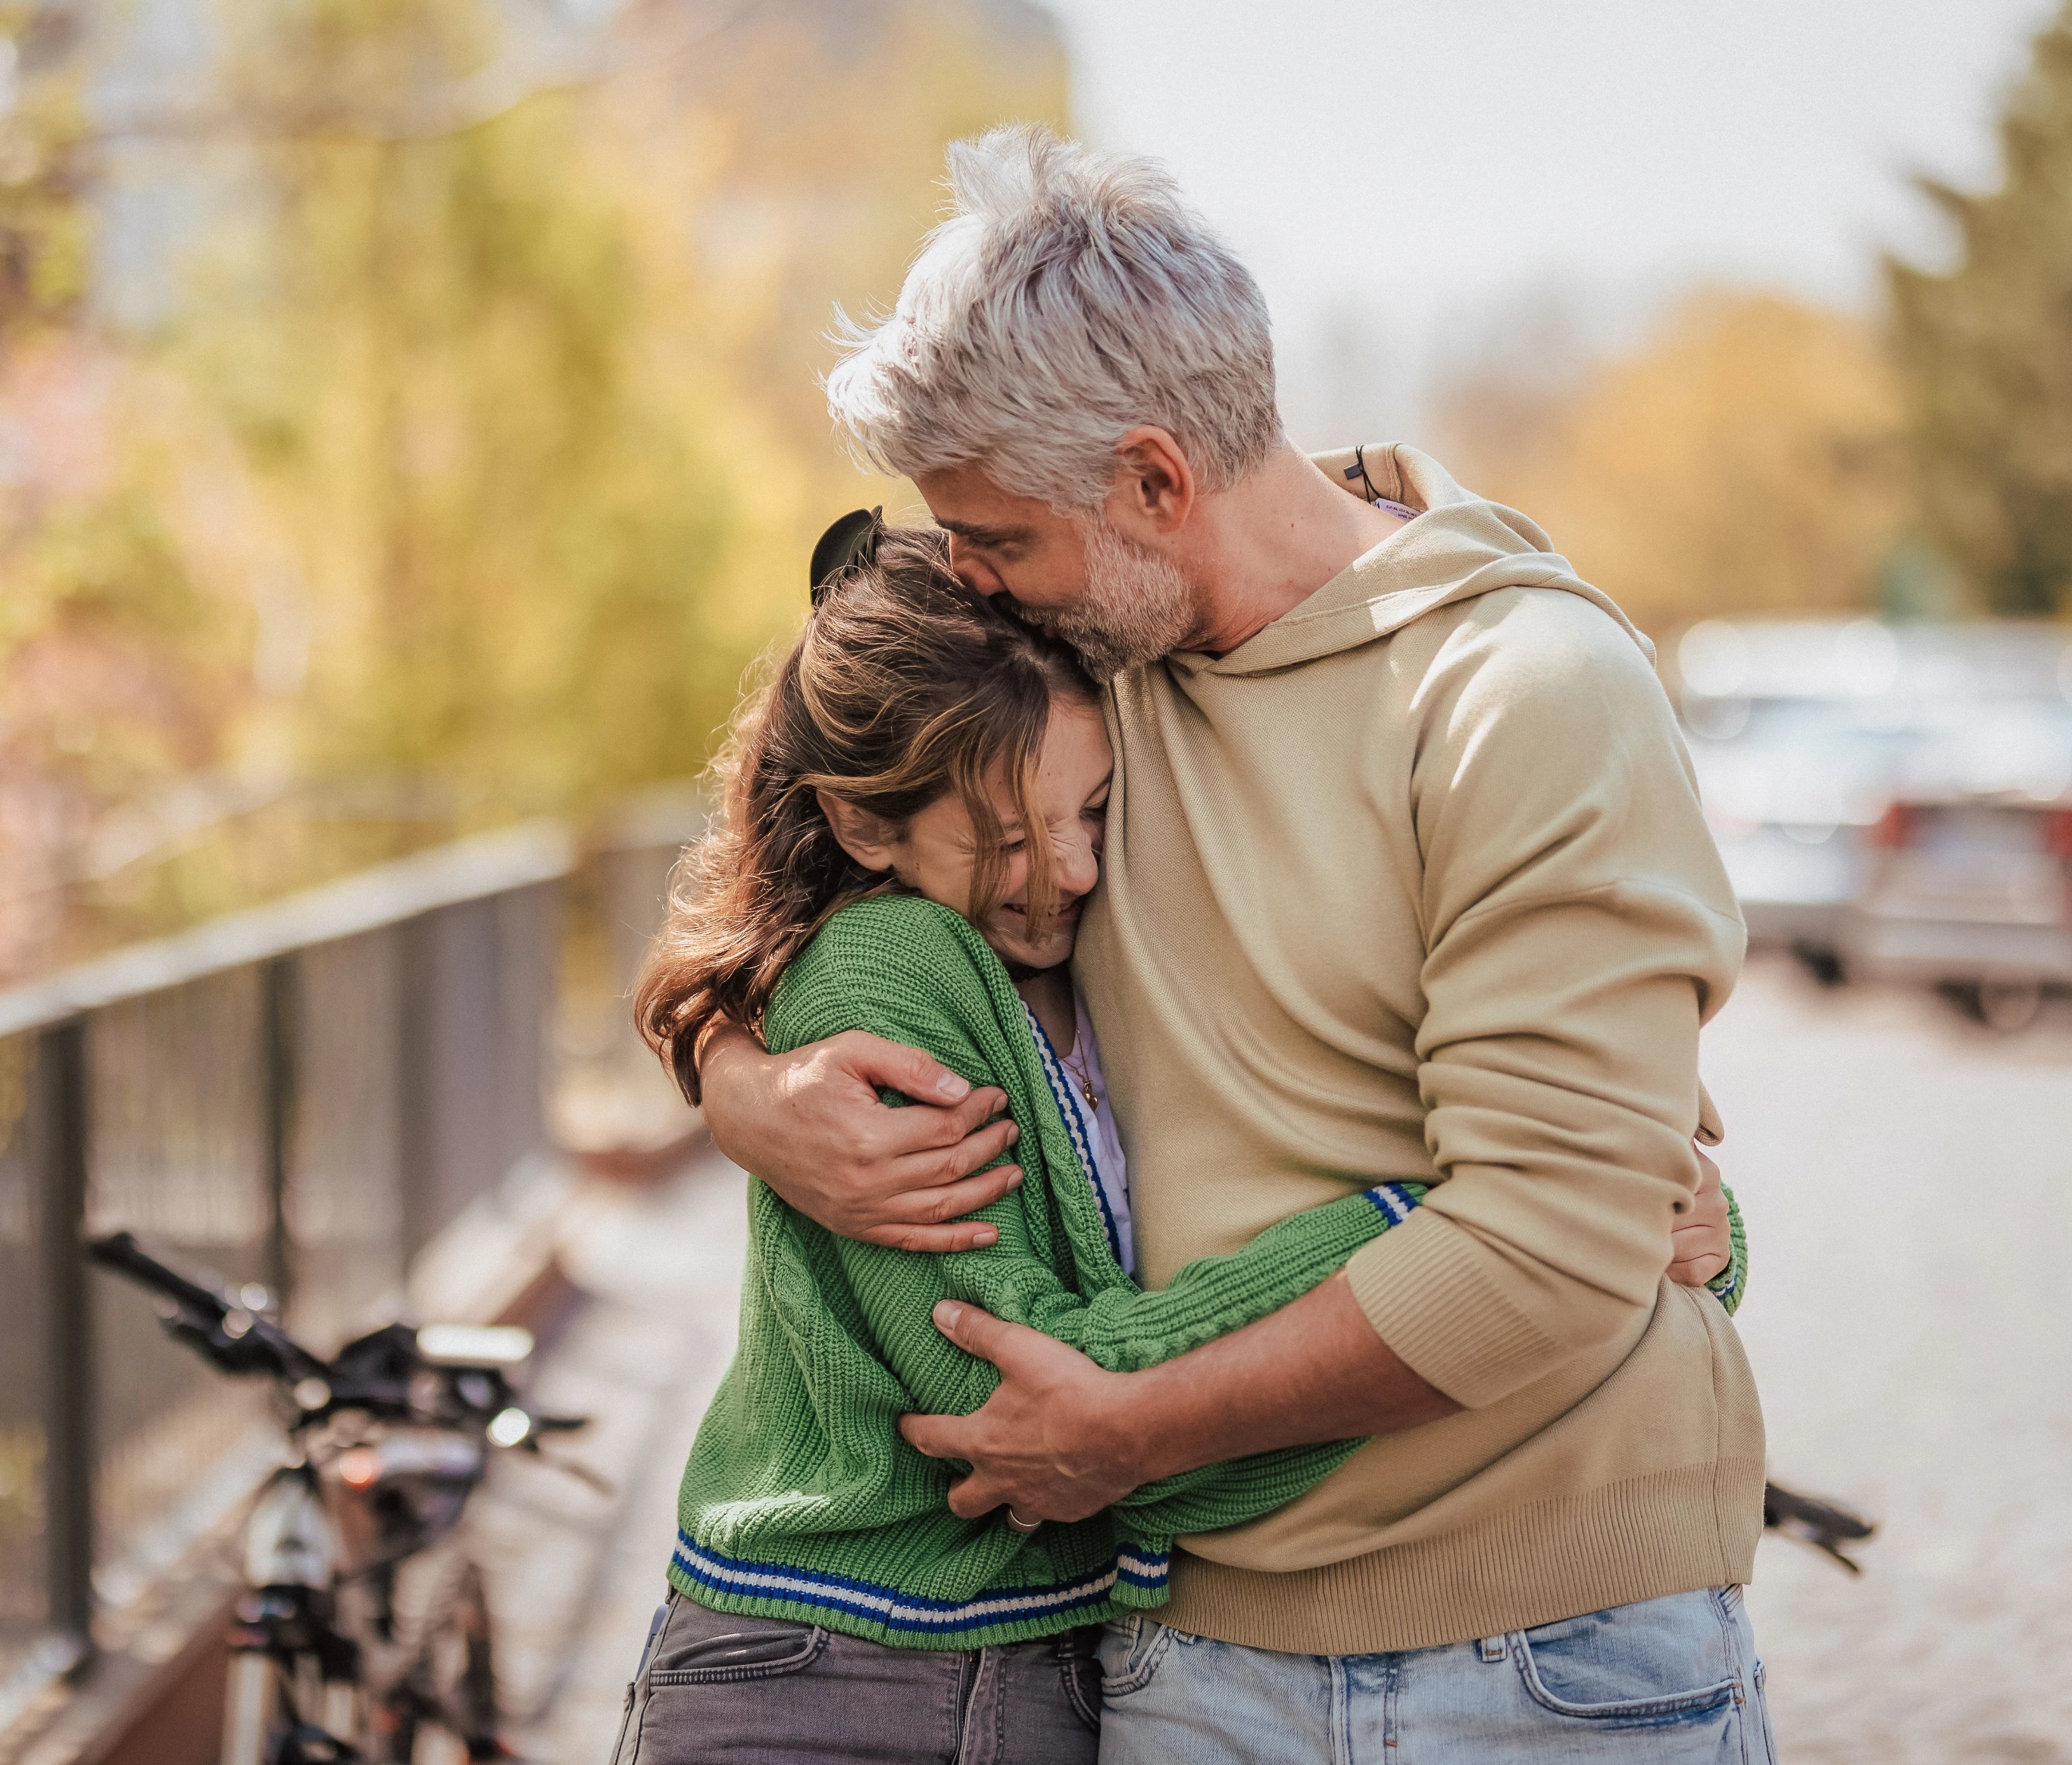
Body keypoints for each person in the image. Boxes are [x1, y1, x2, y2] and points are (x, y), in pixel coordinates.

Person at [689, 127, 1770, 1763]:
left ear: (1150, 481)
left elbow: (1555, 1241)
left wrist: (1124, 1429)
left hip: (1549, 1664)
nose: (966, 580)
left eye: (995, 535)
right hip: (1188, 1662)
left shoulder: (1522, 694)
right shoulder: (1072, 683)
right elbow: (796, 837)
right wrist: (733, 1081)